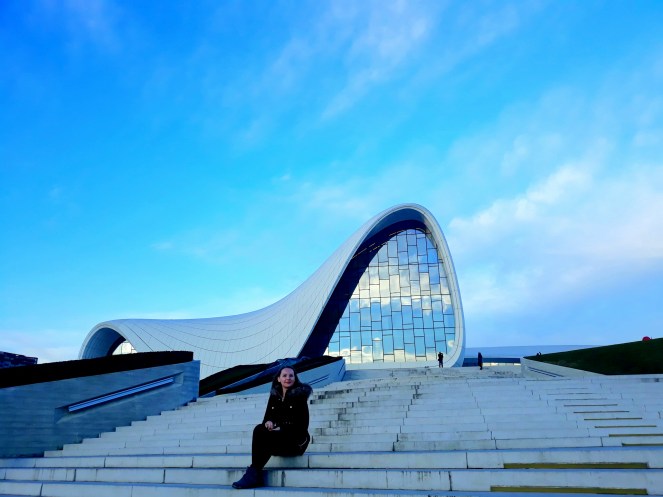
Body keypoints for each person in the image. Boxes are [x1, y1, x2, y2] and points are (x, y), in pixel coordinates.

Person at [232, 366, 313, 489]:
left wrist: (281, 429)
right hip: (279, 440)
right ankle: (254, 473)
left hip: (296, 442)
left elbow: (302, 425)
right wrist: (269, 422)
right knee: (259, 429)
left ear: (295, 378)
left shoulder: (299, 396)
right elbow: (266, 418)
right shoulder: (275, 395)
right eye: (284, 375)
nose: (288, 378)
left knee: (268, 437)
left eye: (291, 375)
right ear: (278, 379)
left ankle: (253, 474)